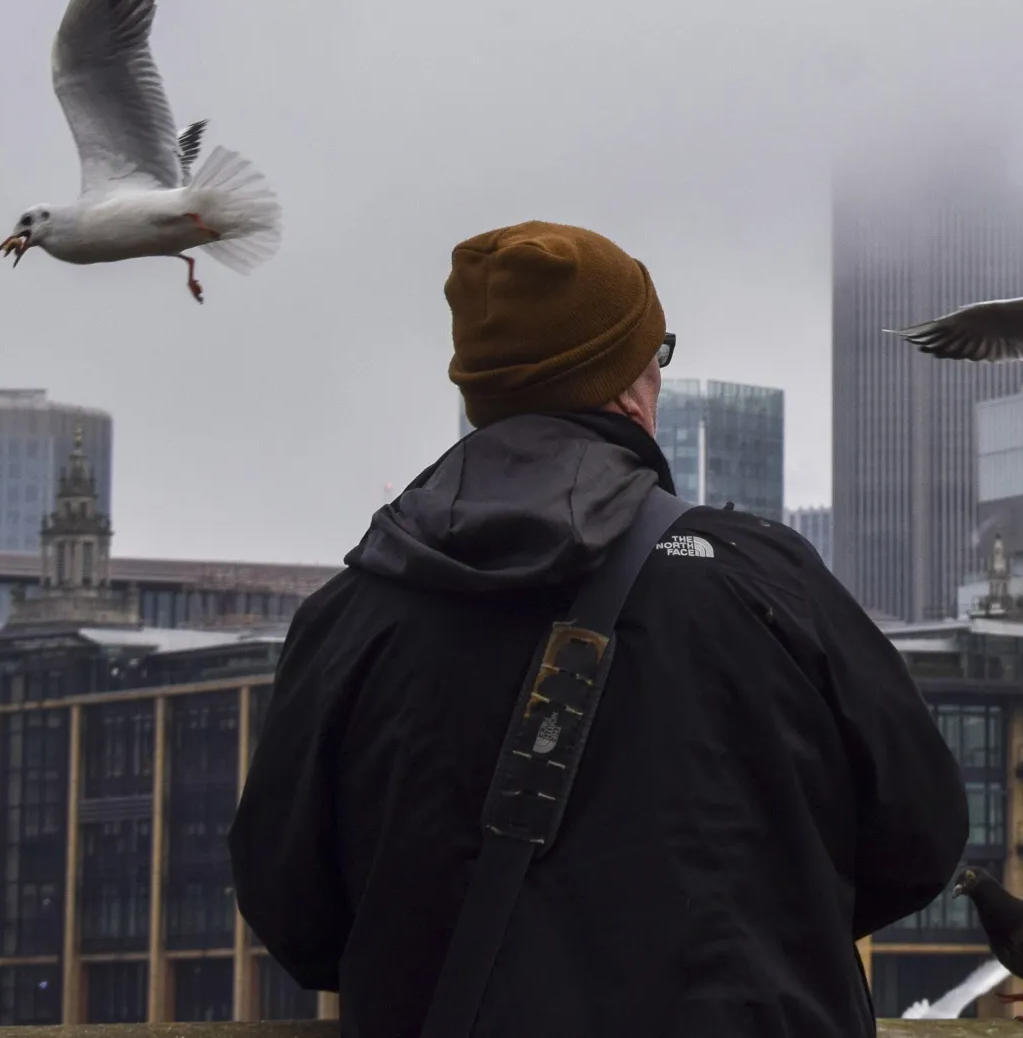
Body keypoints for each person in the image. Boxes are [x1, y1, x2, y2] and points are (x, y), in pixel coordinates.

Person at [230, 221, 968, 1038]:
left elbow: (290, 907)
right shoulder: (762, 579)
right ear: (628, 381)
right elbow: (921, 834)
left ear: (481, 392)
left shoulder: (350, 616)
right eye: (658, 353)